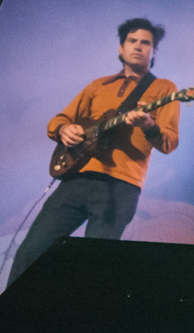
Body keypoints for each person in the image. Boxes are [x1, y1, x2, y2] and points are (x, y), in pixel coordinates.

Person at [7, 18, 179, 286]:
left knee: (93, 266)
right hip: (77, 179)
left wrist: (148, 125)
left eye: (146, 43)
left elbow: (169, 142)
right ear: (121, 48)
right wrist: (64, 130)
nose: (138, 47)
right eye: (132, 41)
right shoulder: (98, 86)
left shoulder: (164, 89)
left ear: (154, 52)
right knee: (31, 251)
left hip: (121, 185)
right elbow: (60, 119)